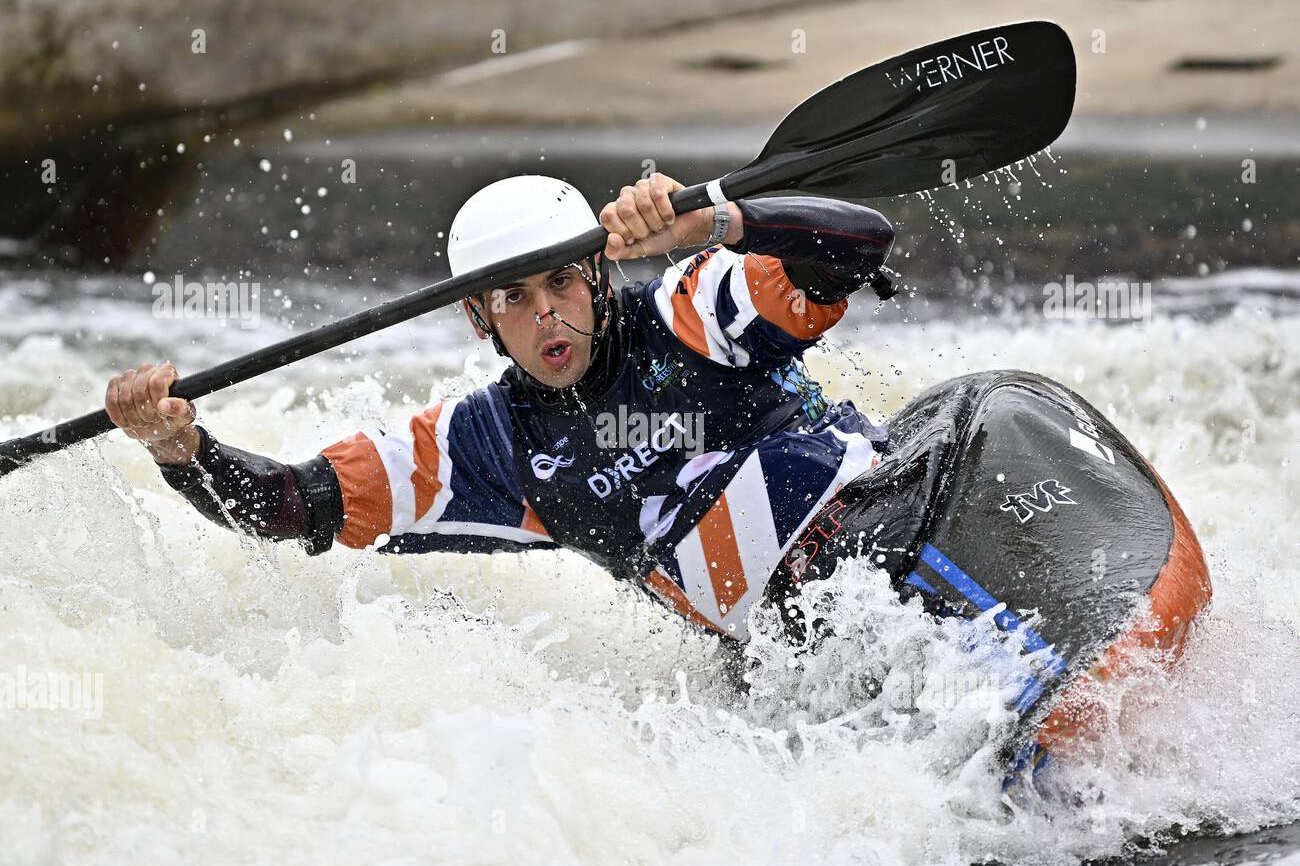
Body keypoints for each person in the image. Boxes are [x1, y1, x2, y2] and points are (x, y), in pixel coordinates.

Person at [105, 172, 895, 646]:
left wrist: (718, 222)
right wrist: (179, 449)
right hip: (787, 652)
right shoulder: (479, 448)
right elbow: (287, 504)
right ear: (480, 318)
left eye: (561, 282)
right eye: (514, 297)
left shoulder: (693, 307)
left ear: (596, 272)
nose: (547, 314)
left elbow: (860, 246)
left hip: (885, 527)